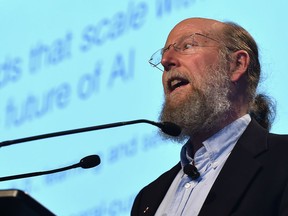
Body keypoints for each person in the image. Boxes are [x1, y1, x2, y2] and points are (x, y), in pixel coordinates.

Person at [131, 17, 288, 216]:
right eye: (164, 55)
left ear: (237, 64)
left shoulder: (282, 161)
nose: (165, 61)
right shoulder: (148, 198)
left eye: (187, 45)